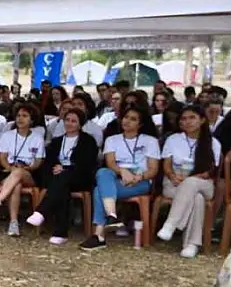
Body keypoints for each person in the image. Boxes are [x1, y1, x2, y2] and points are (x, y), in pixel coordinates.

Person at [79, 106, 160, 251]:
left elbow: (153, 170)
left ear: (140, 124)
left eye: (133, 119)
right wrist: (123, 171)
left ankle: (99, 234)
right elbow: (111, 164)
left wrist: (137, 177)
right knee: (103, 172)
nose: (127, 121)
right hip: (116, 178)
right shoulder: (112, 139)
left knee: (99, 190)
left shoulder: (150, 141)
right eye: (126, 117)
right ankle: (111, 216)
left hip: (140, 181)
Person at [25, 108, 99, 245]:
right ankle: (60, 232)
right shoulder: (57, 141)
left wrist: (66, 168)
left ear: (80, 124)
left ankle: (42, 211)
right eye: (67, 120)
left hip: (79, 178)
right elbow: (48, 162)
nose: (69, 123)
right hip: (57, 178)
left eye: (74, 121)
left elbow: (87, 165)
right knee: (61, 186)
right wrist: (55, 169)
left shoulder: (88, 141)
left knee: (63, 178)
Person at [158, 105, 222, 258]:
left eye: (192, 117)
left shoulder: (213, 142)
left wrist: (190, 178)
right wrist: (172, 176)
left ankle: (171, 224)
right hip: (175, 182)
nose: (188, 122)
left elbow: (211, 171)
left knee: (191, 183)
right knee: (197, 198)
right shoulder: (173, 140)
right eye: (184, 119)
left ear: (202, 120)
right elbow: (166, 165)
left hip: (202, 182)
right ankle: (192, 244)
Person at [0, 104, 46, 237]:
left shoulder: (37, 138)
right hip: (8, 171)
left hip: (29, 173)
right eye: (18, 116)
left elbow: (37, 162)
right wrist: (10, 168)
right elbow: (3, 158)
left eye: (24, 116)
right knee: (16, 184)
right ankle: (13, 223)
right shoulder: (7, 135)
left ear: (32, 120)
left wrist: (25, 168)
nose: (20, 119)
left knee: (19, 173)